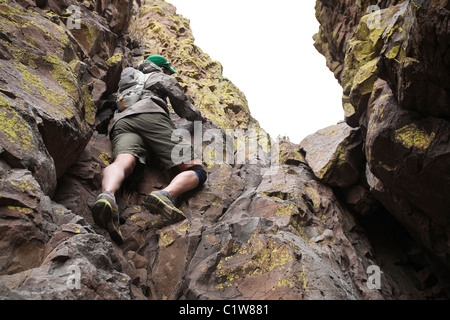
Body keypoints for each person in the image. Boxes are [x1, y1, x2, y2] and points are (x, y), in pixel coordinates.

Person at [91, 55, 207, 244]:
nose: (169, 73)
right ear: (162, 68)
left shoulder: (127, 82)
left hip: (122, 122)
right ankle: (165, 195)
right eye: (168, 70)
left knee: (123, 162)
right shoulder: (159, 76)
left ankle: (107, 195)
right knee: (196, 169)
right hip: (152, 116)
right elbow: (180, 101)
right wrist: (198, 117)